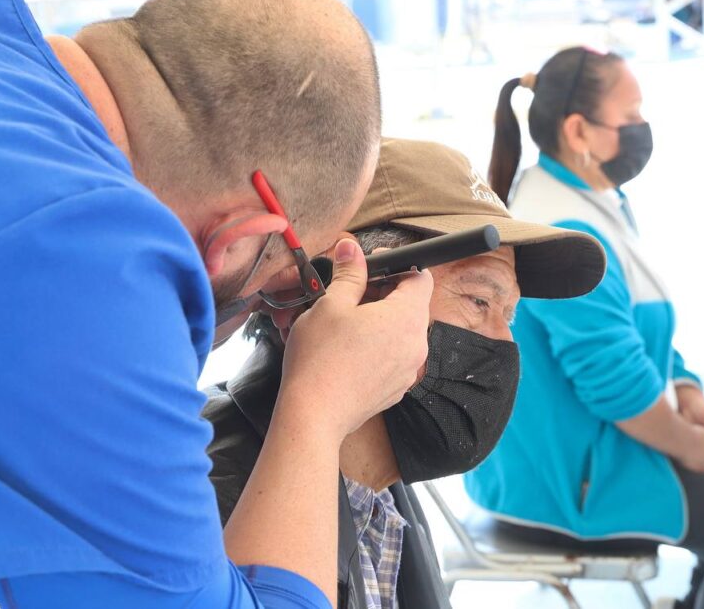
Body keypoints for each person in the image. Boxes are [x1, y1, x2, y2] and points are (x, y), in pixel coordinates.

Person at [0, 0, 437, 609]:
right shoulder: (66, 260)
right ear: (242, 237)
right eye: (288, 276)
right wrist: (318, 405)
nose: (271, 305)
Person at [204, 138, 606, 608]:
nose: (504, 343)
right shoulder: (211, 511)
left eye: (509, 314)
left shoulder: (378, 500)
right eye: (479, 301)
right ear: (345, 291)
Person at [465, 46, 704, 609]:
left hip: (587, 452)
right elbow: (615, 388)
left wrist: (685, 390)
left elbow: (638, 322)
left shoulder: (589, 198)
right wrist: (694, 447)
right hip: (562, 485)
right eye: (631, 116)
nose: (642, 128)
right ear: (579, 130)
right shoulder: (565, 233)